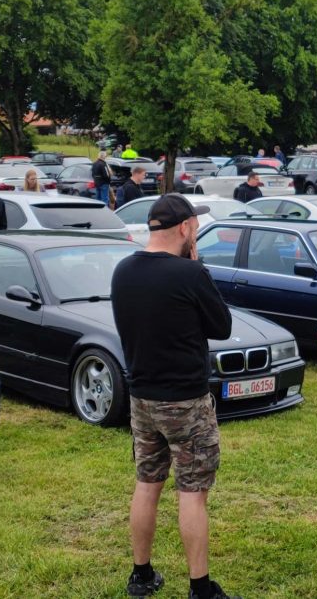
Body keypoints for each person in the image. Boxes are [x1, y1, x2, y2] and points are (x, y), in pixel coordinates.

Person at [110, 194, 237, 599]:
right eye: (194, 226)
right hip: (185, 400)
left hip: (142, 397)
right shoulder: (189, 274)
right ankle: (200, 587)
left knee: (147, 484)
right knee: (192, 492)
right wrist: (195, 264)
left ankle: (141, 575)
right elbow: (221, 325)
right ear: (185, 228)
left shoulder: (123, 271)